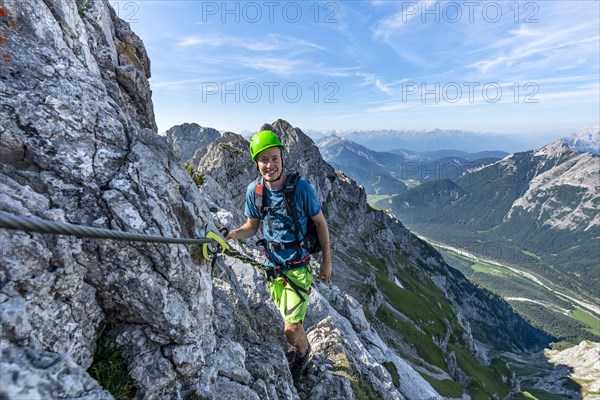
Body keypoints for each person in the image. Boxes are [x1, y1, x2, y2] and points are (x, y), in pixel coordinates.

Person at [226, 129, 332, 380]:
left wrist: (327, 262)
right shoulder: (256, 191)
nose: (269, 165)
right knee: (290, 321)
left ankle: (303, 358)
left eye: (274, 158)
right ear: (256, 163)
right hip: (272, 266)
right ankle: (302, 350)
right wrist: (230, 234)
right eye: (264, 160)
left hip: (298, 267)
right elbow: (251, 226)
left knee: (290, 328)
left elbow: (321, 223)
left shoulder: (301, 189)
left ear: (282, 158)